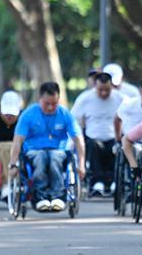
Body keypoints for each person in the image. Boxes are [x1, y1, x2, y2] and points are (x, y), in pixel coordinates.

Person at [9, 82, 86, 212]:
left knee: (54, 157)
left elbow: (78, 140)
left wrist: (82, 164)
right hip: (33, 151)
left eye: (54, 104)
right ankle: (40, 196)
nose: (50, 107)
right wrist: (13, 164)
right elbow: (17, 141)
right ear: (40, 99)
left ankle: (58, 196)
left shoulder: (65, 114)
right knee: (41, 157)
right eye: (46, 104)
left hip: (58, 150)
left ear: (58, 100)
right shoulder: (29, 114)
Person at [71, 72, 124, 196]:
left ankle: (114, 181)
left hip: (114, 138)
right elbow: (73, 119)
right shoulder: (85, 98)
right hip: (92, 138)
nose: (104, 93)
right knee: (92, 146)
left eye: (107, 90)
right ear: (95, 86)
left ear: (112, 86)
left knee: (118, 149)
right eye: (101, 90)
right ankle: (97, 182)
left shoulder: (121, 99)